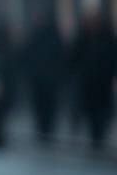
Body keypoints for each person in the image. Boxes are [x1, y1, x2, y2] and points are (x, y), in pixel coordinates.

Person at [69, 8, 117, 150]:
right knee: (91, 112)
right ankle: (95, 138)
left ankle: (98, 137)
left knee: (102, 112)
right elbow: (73, 58)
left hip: (103, 83)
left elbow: (113, 57)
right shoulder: (82, 38)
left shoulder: (108, 38)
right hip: (88, 84)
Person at [21, 11, 65, 142]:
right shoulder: (34, 36)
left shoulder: (53, 36)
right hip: (37, 79)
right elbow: (26, 55)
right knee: (39, 106)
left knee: (49, 106)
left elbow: (60, 57)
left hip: (50, 79)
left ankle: (48, 130)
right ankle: (42, 130)